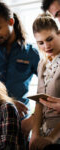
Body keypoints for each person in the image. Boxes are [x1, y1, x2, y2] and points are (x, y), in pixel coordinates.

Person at [0, 2, 40, 119]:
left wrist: (33, 120)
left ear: (11, 22)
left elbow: (47, 85)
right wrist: (7, 101)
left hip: (21, 120)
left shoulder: (31, 53)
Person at [29, 13, 60, 150]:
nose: (46, 46)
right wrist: (35, 135)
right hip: (43, 130)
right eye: (40, 43)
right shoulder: (42, 64)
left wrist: (51, 138)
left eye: (49, 39)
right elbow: (39, 102)